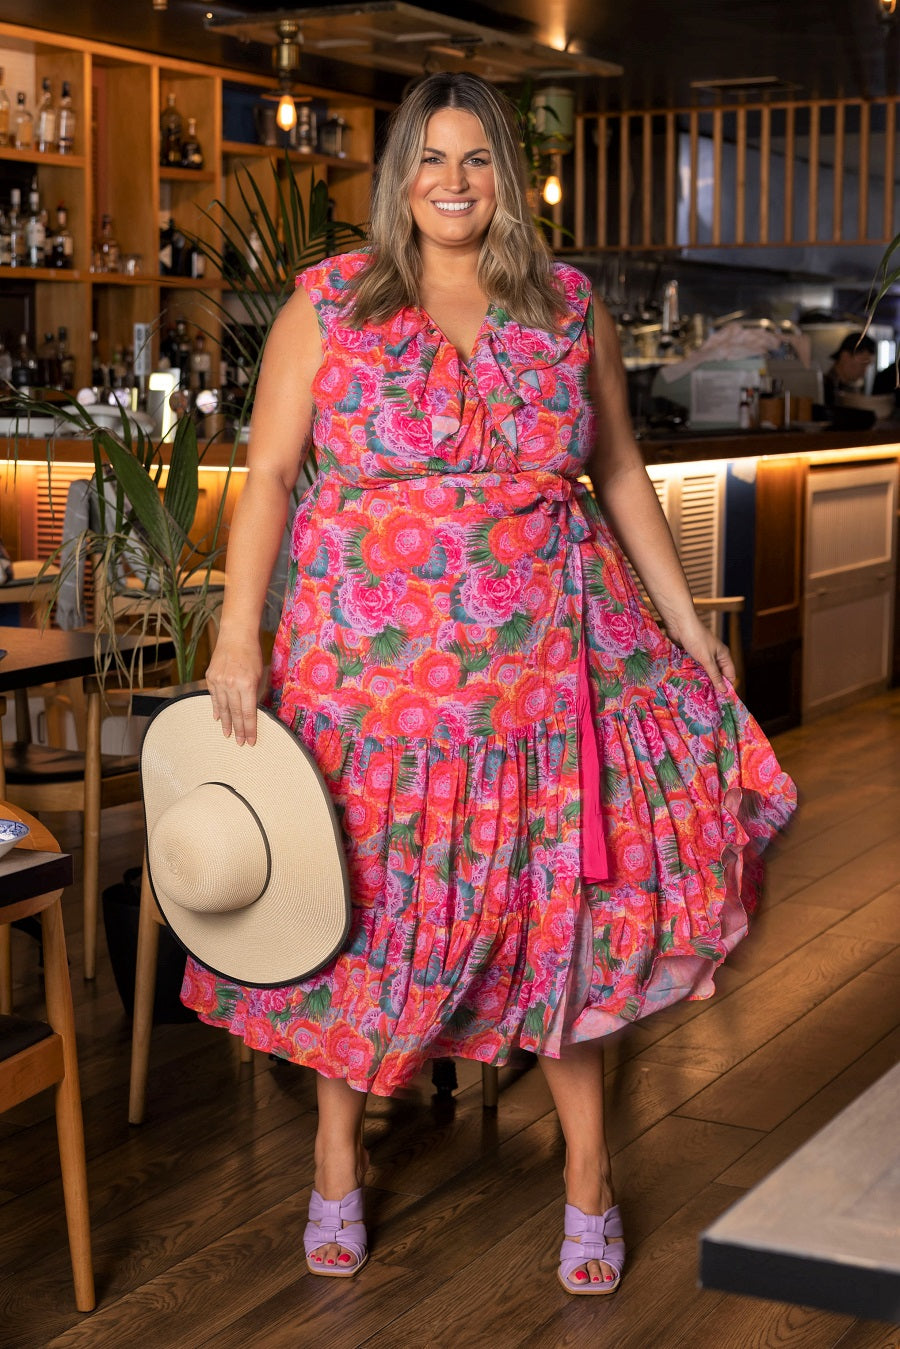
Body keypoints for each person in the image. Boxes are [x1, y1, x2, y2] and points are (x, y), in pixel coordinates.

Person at [194, 72, 796, 1296]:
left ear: (506, 179)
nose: (455, 182)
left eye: (478, 160)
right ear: (399, 176)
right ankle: (333, 1154)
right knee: (359, 914)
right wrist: (239, 634)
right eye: (433, 159)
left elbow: (619, 469)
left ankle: (589, 1175)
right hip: (371, 681)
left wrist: (685, 625)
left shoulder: (569, 304)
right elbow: (265, 477)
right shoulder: (329, 302)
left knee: (559, 911)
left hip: (551, 665)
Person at [822, 331, 875, 406]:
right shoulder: (824, 388)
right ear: (845, 356)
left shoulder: (849, 389)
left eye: (867, 366)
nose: (864, 371)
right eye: (863, 364)